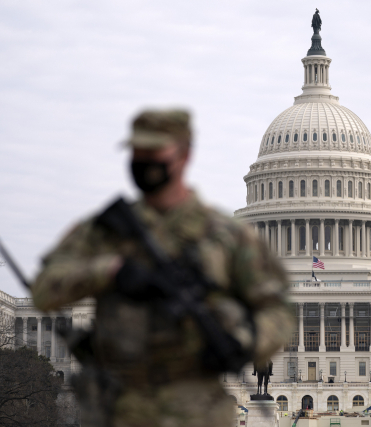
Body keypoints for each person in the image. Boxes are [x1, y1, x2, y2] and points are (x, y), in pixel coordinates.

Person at [32, 109, 293, 427]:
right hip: (117, 409)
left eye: (155, 152)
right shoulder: (103, 232)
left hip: (197, 412)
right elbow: (43, 290)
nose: (144, 161)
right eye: (138, 153)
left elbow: (279, 313)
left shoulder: (227, 236)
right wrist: (110, 270)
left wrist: (244, 341)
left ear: (184, 155)